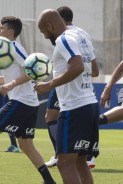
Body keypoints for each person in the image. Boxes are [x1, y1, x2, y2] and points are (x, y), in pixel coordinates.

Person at [0, 16, 56, 184]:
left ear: (10, 31)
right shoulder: (8, 51)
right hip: (28, 102)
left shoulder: (13, 47)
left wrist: (12, 84)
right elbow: (9, 79)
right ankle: (49, 181)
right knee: (26, 145)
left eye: (1, 28)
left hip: (21, 102)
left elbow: (32, 71)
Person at [36, 9, 99, 184]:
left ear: (50, 25)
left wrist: (50, 84)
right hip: (89, 104)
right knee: (80, 161)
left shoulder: (63, 39)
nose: (44, 35)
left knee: (64, 162)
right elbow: (95, 70)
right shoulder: (82, 37)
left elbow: (77, 66)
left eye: (43, 31)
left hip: (74, 108)